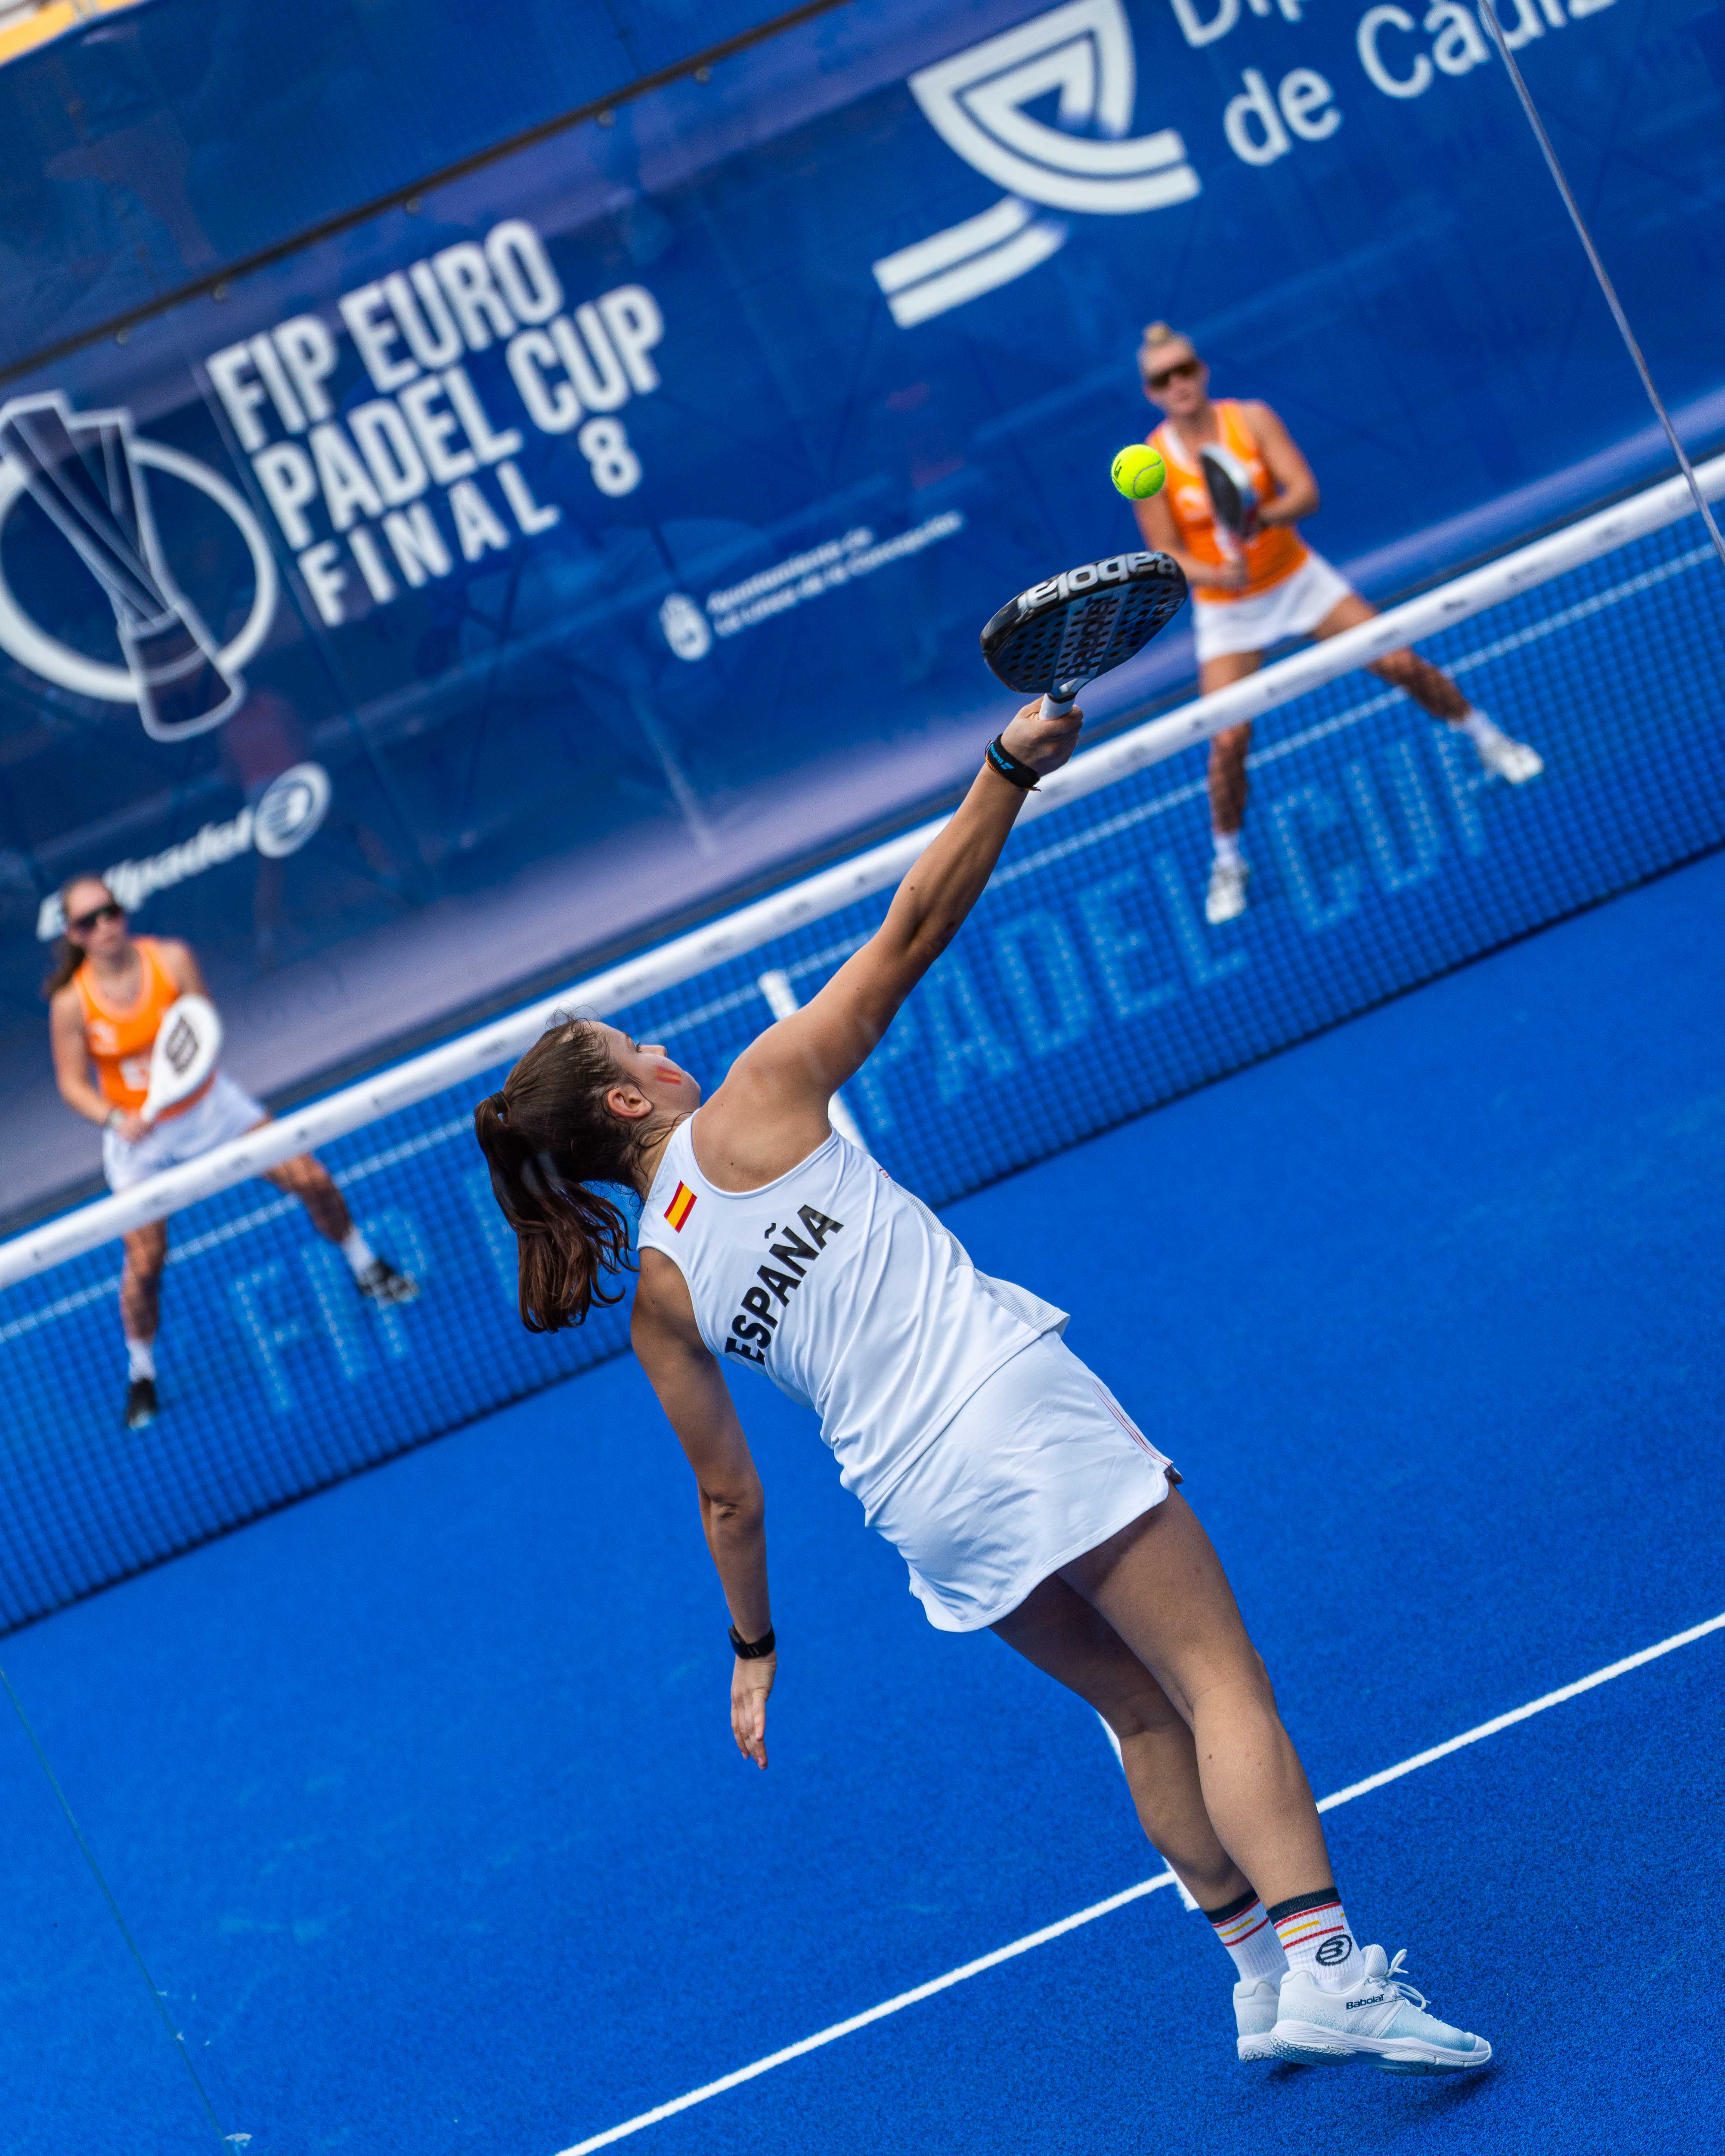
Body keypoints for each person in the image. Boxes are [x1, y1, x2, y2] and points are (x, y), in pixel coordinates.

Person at [473, 700, 1493, 2074]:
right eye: (635, 1048)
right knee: (1216, 1679)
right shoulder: (757, 1096)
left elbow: (728, 1500)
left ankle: (1258, 1979)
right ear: (626, 1105)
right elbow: (910, 935)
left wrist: (755, 1652)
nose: (662, 1048)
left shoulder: (657, 1290)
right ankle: (1329, 1971)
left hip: (921, 1510)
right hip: (1014, 1412)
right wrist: (1008, 770)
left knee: (1136, 1711)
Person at [1131, 322, 1544, 927]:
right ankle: (1228, 861)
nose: (1178, 384)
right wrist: (1219, 574)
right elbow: (1167, 553)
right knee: (1227, 741)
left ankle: (1489, 739)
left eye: (1185, 369)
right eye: (1164, 378)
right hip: (1229, 611)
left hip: (1298, 579)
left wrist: (1263, 517)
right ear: (1152, 393)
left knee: (1401, 663)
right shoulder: (1151, 465)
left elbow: (1306, 493)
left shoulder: (1252, 419)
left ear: (1202, 371)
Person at [46, 875, 418, 1430]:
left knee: (312, 1180)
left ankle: (367, 1267)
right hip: (139, 1141)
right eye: (88, 921)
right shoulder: (72, 1003)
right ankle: (142, 1372)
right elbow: (73, 1084)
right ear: (74, 934)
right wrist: (116, 1118)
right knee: (145, 1263)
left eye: (111, 911)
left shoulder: (171, 959)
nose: (104, 926)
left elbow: (201, 1031)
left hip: (210, 1108)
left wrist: (173, 1090)